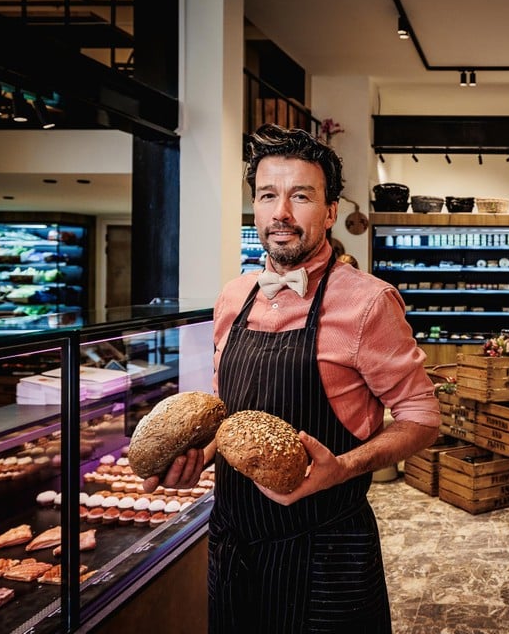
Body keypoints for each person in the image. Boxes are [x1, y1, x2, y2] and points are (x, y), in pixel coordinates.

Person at [144, 123, 441, 633]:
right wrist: (198, 455)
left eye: (300, 196)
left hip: (326, 551)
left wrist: (342, 468)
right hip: (233, 541)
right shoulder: (232, 297)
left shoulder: (369, 301)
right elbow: (232, 414)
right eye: (267, 195)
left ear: (329, 212)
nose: (280, 213)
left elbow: (423, 417)